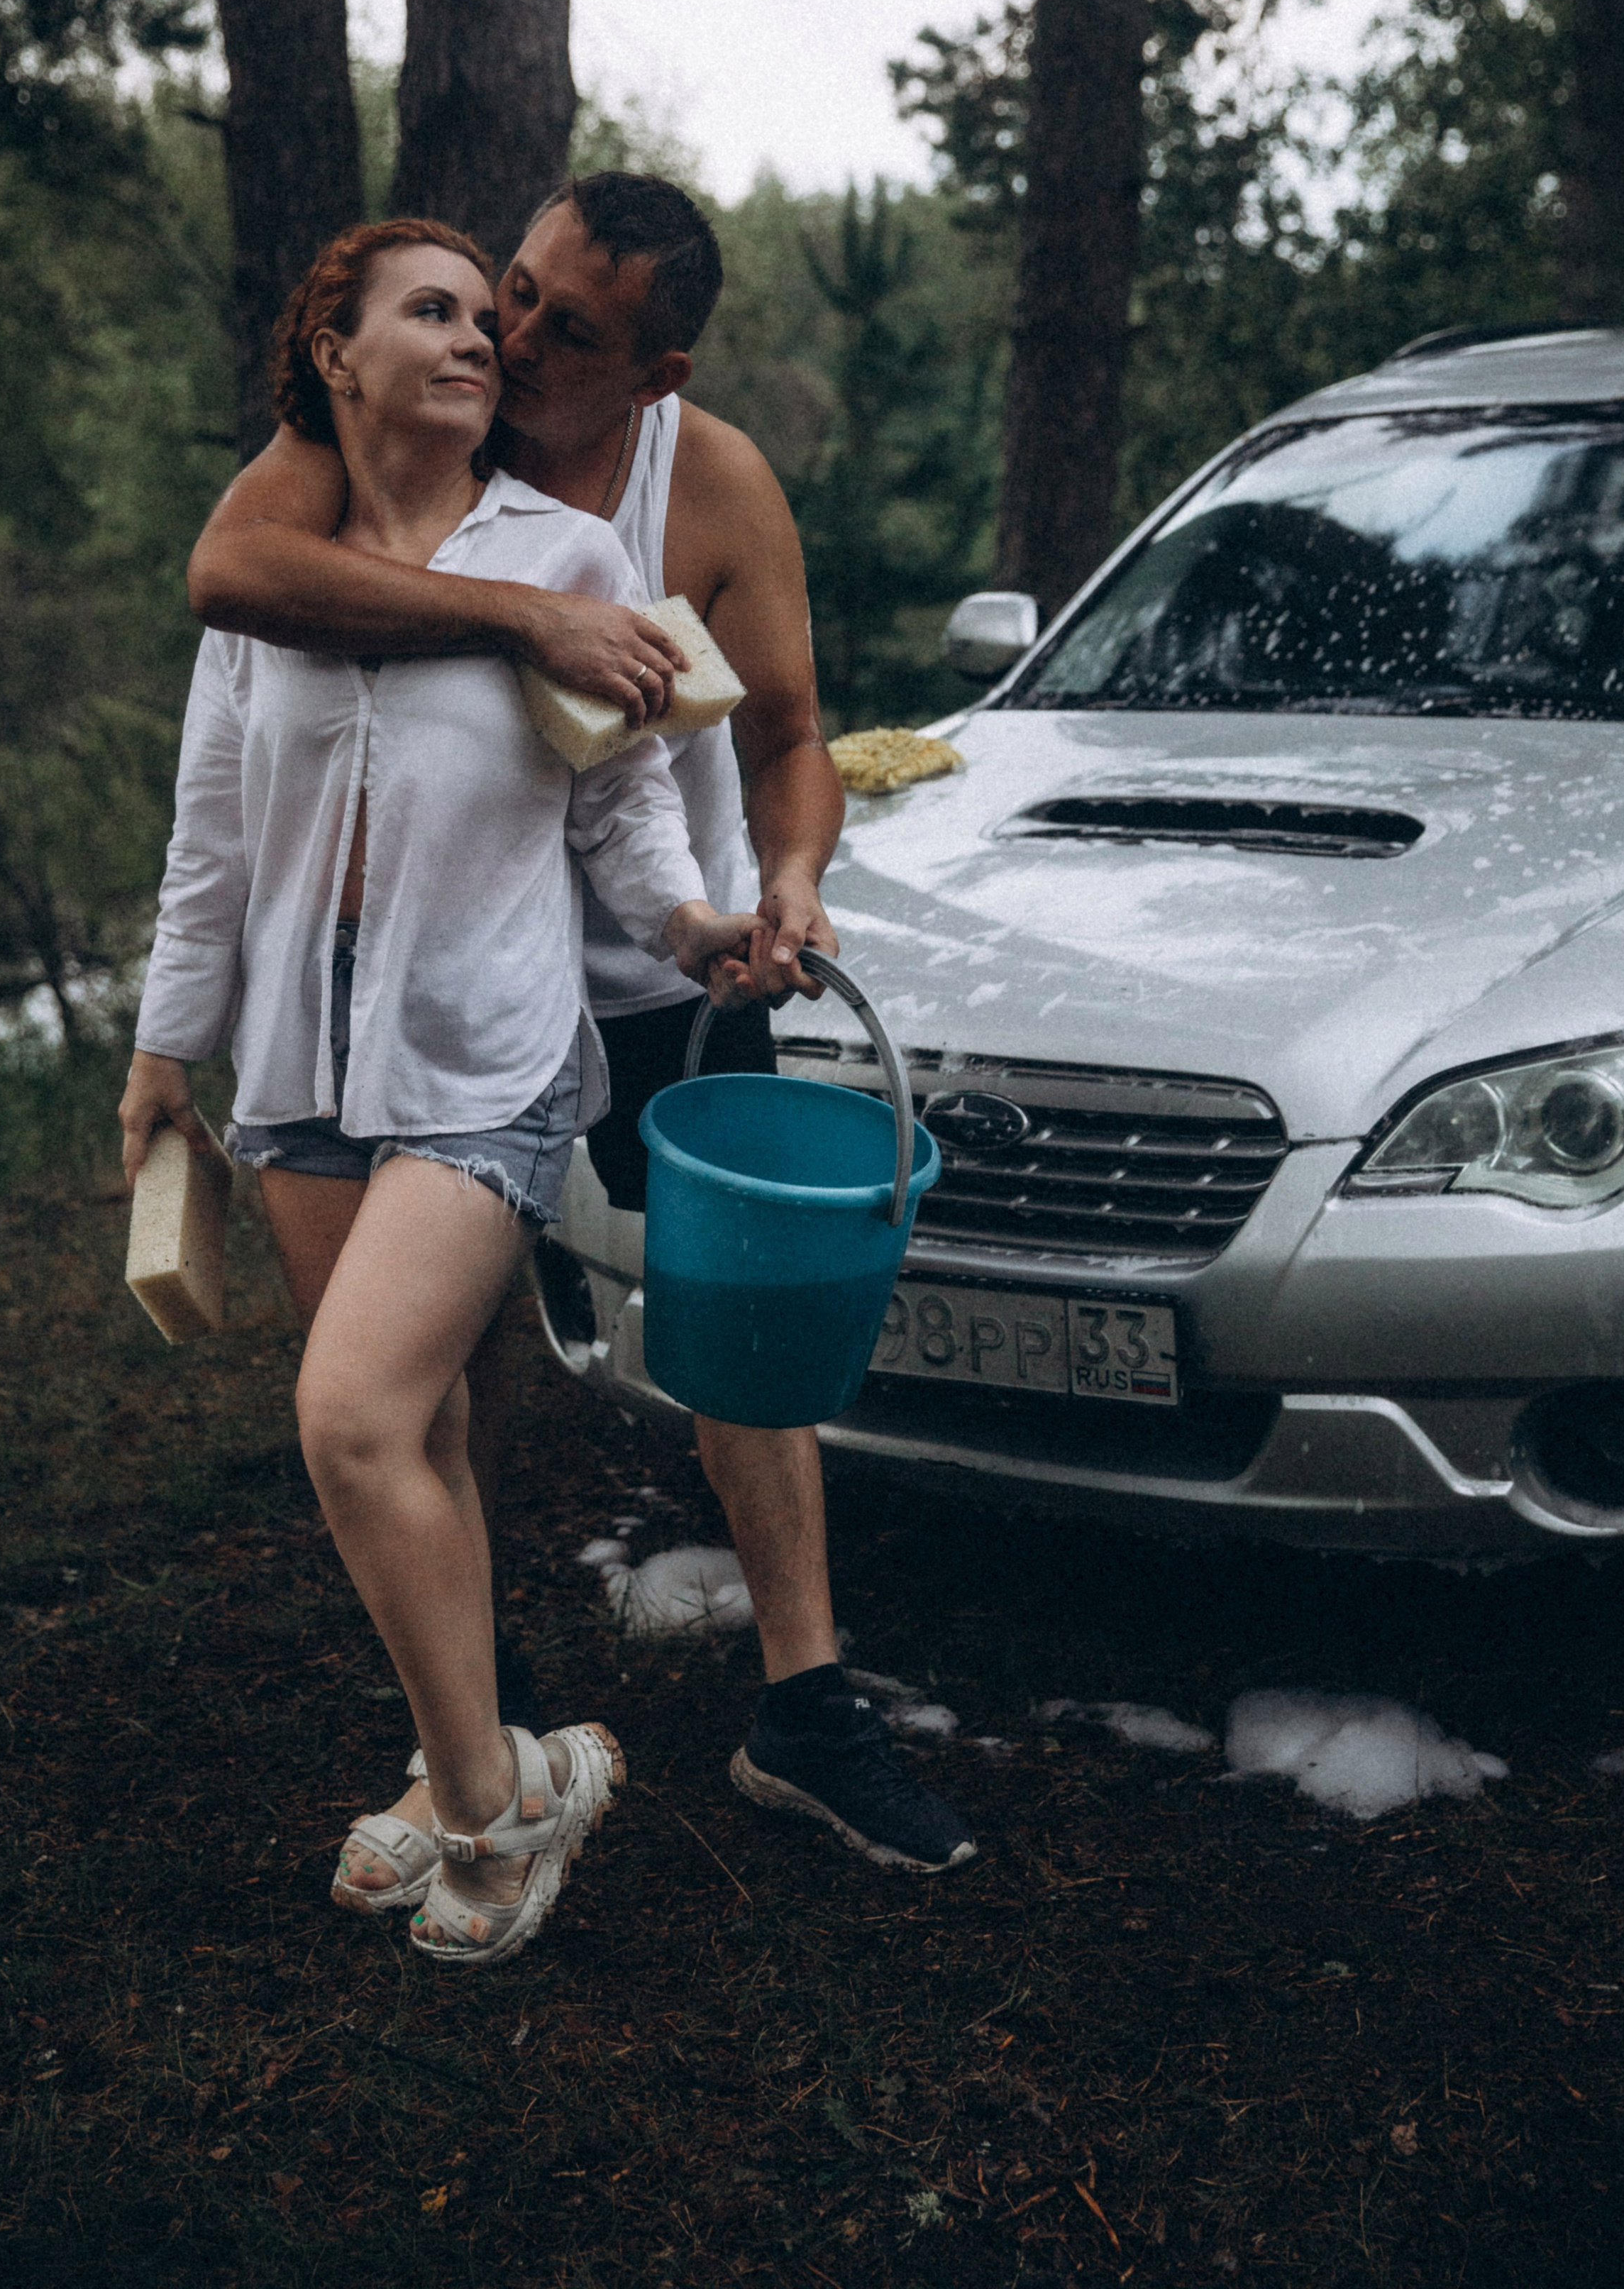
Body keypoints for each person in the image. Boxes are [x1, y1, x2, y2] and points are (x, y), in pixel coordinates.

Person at [187, 172, 976, 1879]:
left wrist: (784, 883)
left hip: (650, 960)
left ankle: (806, 1706)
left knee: (741, 1331)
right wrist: (533, 614)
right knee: (413, 1380)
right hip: (424, 985)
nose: (515, 333)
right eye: (513, 291)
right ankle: (481, 1728)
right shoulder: (363, 444)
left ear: (662, 368)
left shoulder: (708, 485)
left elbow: (784, 732)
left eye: (568, 326)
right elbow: (233, 570)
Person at [119, 216, 766, 1965]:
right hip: (300, 1075)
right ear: (333, 352)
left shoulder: (566, 557)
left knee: (346, 1418)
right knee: (423, 1433)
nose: (483, 337)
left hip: (482, 1065)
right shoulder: (275, 561)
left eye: (491, 316)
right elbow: (209, 832)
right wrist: (163, 1047)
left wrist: (699, 924)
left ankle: (496, 1811)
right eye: (435, 311)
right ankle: (478, 1756)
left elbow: (626, 820)